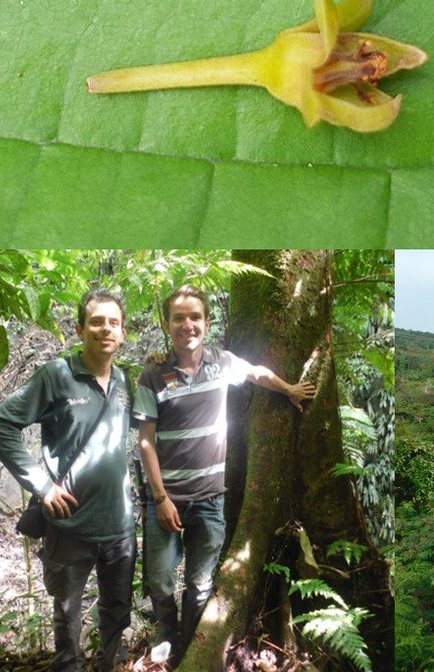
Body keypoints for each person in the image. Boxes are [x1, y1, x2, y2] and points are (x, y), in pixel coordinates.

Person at [134, 284, 316, 665]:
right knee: (161, 578)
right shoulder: (152, 375)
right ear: (167, 324)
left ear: (207, 322)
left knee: (200, 582)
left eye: (195, 317)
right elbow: (146, 442)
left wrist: (290, 389)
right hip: (166, 499)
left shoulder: (221, 362)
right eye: (179, 318)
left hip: (210, 498)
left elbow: (257, 374)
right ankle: (166, 632)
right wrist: (160, 498)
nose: (188, 324)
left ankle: (188, 648)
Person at [0, 289, 134, 672]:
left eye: (113, 322)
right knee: (67, 619)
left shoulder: (122, 380)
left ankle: (109, 667)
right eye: (97, 321)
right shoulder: (57, 375)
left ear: (123, 332)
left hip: (119, 527)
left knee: (117, 612)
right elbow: (0, 424)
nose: (106, 329)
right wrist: (43, 485)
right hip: (70, 526)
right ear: (79, 328)